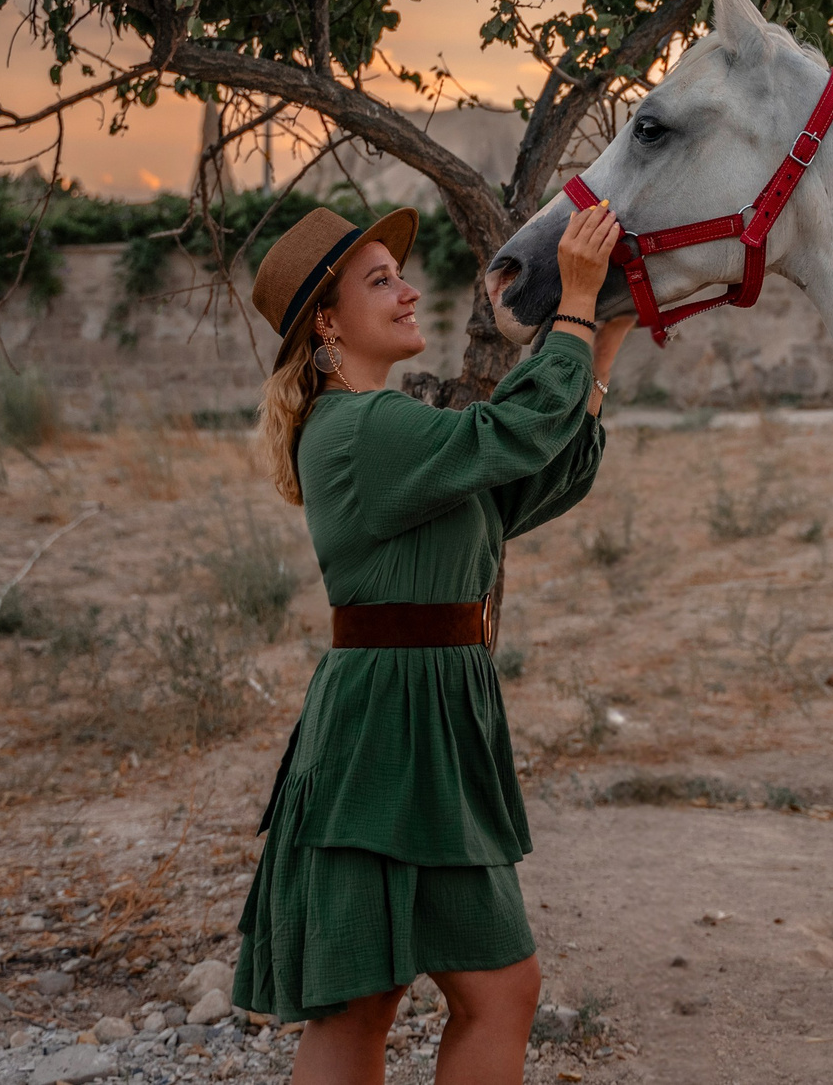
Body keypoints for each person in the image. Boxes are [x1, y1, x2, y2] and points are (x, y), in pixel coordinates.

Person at [232, 198, 632, 1085]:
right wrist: (569, 302)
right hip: (383, 728)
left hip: (430, 725)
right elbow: (508, 434)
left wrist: (600, 337)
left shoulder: (389, 426)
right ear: (328, 324)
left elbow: (516, 486)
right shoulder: (360, 428)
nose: (410, 292)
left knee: (489, 988)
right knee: (366, 1003)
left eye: (400, 275)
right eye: (382, 282)